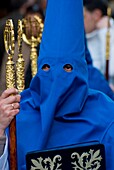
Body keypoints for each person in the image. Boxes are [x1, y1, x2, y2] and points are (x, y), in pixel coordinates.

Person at [1, 0, 114, 169]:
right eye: (46, 68)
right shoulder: (17, 111)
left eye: (68, 68)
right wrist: (1, 133)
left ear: (81, 70)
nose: (56, 77)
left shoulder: (106, 113)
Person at [83, 0, 114, 91]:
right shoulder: (86, 36)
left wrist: (104, 32)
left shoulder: (109, 31)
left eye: (84, 17)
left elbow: (112, 69)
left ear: (96, 15)